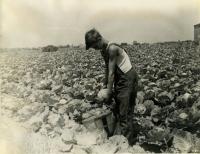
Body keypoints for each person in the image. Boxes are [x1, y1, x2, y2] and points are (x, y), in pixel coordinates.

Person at [85, 28, 138, 145]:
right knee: (117, 109)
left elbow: (111, 73)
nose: (95, 49)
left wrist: (108, 92)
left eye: (94, 46)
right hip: (120, 79)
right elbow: (107, 69)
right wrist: (104, 85)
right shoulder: (103, 50)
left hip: (127, 79)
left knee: (125, 112)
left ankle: (127, 144)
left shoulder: (112, 48)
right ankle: (119, 136)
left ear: (99, 40)